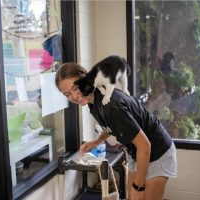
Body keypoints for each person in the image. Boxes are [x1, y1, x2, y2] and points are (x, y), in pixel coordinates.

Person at [55, 61, 177, 200]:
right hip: (137, 152)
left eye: (76, 88)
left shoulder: (111, 106)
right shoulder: (93, 102)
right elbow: (113, 125)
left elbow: (145, 146)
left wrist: (139, 186)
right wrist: (97, 141)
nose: (74, 96)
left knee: (139, 194)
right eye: (67, 94)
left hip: (157, 151)